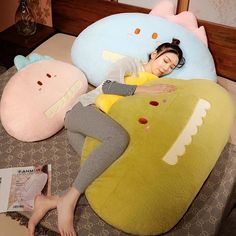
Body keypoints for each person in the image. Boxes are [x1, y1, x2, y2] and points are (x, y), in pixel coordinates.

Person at [27, 38, 185, 236]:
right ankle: (70, 199)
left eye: (172, 66)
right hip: (84, 111)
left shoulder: (158, 84)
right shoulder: (131, 64)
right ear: (155, 54)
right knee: (119, 139)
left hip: (99, 128)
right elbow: (109, 86)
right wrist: (145, 90)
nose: (167, 68)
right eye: (165, 60)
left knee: (107, 169)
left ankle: (52, 200)